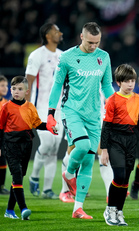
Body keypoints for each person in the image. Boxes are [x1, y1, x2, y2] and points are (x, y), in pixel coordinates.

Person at [47, 22, 115, 219]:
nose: (94, 46)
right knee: (83, 146)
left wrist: (115, 103)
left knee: (87, 161)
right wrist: (51, 113)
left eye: (97, 42)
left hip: (94, 115)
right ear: (81, 37)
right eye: (91, 42)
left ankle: (78, 208)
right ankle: (68, 175)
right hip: (72, 111)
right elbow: (57, 85)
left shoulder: (104, 57)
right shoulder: (67, 57)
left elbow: (107, 87)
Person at [0, 76, 57, 220]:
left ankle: (9, 210)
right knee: (17, 176)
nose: (16, 91)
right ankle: (23, 208)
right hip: (11, 144)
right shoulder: (6, 107)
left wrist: (50, 127)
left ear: (26, 91)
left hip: (26, 144)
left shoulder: (30, 107)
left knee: (18, 178)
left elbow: (37, 124)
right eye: (13, 89)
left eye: (19, 89)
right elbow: (0, 128)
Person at [101, 64, 139, 226]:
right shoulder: (112, 100)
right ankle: (110, 209)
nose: (130, 84)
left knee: (125, 179)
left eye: (132, 80)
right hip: (115, 141)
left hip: (131, 140)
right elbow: (106, 126)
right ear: (118, 82)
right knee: (118, 176)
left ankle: (119, 211)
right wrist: (104, 149)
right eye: (126, 81)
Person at [25, 23, 64, 199]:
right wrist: (24, 107)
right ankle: (34, 176)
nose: (60, 33)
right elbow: (29, 82)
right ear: (48, 35)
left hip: (60, 110)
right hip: (40, 107)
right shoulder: (37, 55)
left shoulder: (63, 56)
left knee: (55, 148)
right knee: (47, 144)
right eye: (56, 31)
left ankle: (47, 189)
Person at [0, 75, 10, 194]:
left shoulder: (5, 103)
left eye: (6, 85)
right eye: (2, 85)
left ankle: (1, 186)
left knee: (3, 161)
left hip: (3, 135)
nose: (5, 88)